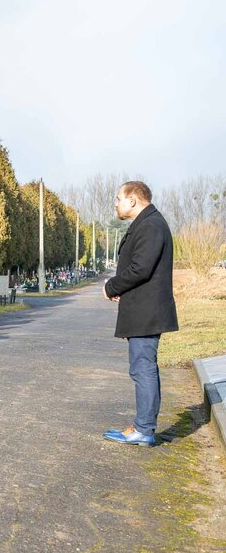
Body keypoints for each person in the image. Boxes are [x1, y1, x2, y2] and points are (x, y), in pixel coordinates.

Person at [102, 181, 178, 447]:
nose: (116, 204)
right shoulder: (147, 223)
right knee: (141, 367)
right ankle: (142, 427)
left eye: (118, 199)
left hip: (147, 313)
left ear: (133, 200)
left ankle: (144, 429)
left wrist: (111, 286)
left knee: (143, 368)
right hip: (143, 311)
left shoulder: (151, 225)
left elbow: (140, 268)